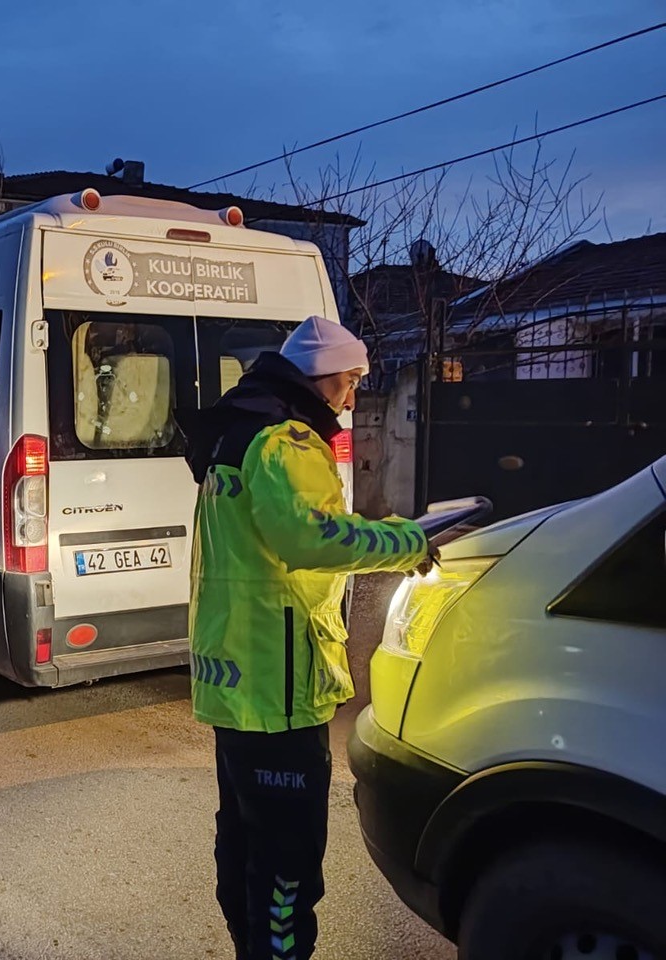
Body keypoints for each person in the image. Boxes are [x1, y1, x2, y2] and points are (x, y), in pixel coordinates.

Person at [185, 315, 434, 960]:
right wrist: (410, 541)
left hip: (236, 677)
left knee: (245, 840)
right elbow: (313, 537)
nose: (353, 398)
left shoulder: (236, 433)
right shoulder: (287, 441)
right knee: (288, 861)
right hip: (278, 685)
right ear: (324, 377)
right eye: (351, 381)